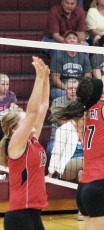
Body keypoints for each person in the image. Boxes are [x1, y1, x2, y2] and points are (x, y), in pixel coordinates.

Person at [51, 17, 104, 229]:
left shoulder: (89, 108)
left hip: (87, 188)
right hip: (101, 187)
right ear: (100, 93)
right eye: (103, 84)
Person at [0, 57, 50, 230]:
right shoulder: (15, 145)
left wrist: (46, 78)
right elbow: (32, 112)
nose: (31, 122)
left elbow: (43, 106)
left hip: (34, 215)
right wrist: (38, 78)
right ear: (15, 130)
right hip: (20, 217)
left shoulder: (32, 141)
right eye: (25, 122)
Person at [50, 30, 92, 99]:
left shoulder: (84, 57)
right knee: (57, 93)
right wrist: (67, 89)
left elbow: (88, 77)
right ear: (64, 42)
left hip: (79, 88)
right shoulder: (58, 56)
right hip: (63, 88)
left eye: (74, 38)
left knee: (88, 94)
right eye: (69, 38)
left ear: (78, 43)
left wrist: (79, 89)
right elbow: (55, 79)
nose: (72, 40)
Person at [45, 78, 78, 165]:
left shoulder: (84, 103)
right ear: (65, 90)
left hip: (79, 139)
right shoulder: (57, 102)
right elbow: (62, 121)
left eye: (76, 89)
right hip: (57, 139)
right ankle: (54, 174)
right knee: (50, 149)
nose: (73, 91)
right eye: (70, 88)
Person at [47, 116, 84, 181]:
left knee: (82, 174)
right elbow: (57, 152)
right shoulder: (65, 128)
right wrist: (50, 173)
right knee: (89, 162)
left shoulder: (90, 128)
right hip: (66, 167)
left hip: (85, 167)